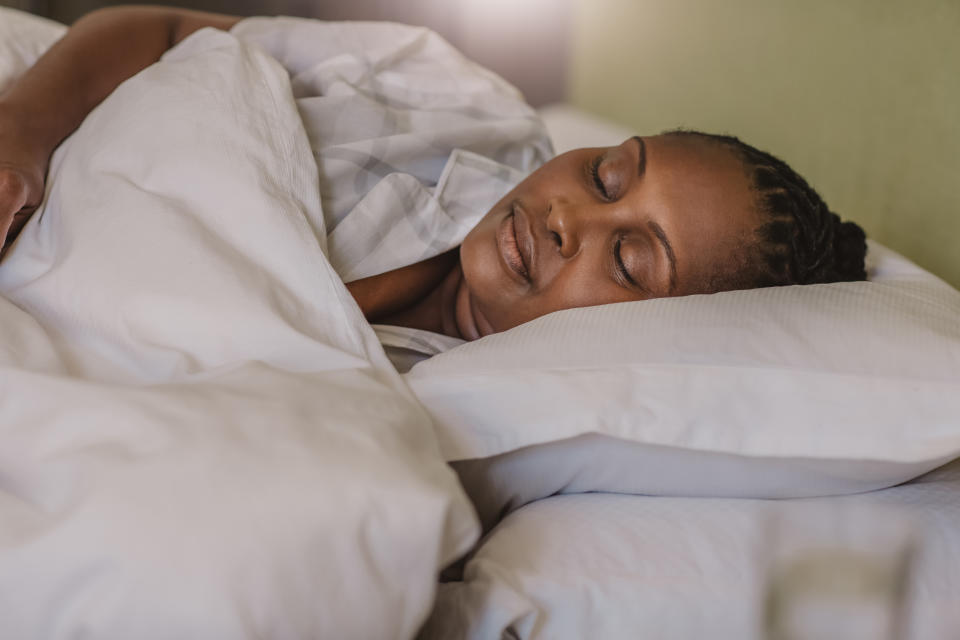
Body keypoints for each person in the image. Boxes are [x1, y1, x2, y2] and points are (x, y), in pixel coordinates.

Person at [0, 6, 867, 351]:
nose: (570, 217)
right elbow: (159, 28)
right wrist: (19, 140)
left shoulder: (464, 420)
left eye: (632, 261)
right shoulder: (461, 99)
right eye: (607, 176)